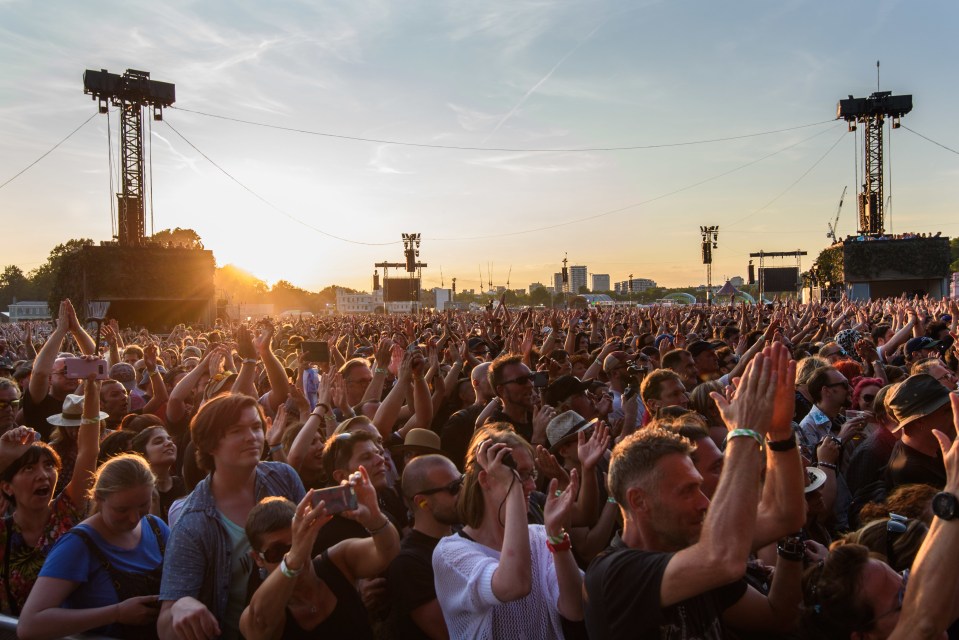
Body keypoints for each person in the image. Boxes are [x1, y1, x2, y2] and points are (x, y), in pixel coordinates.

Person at [585, 344, 806, 639]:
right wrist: (744, 432)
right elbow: (722, 558)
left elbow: (785, 516)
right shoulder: (614, 573)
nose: (704, 502)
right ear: (640, 501)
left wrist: (778, 432)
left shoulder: (692, 544)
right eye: (688, 490)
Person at [157, 393, 305, 640]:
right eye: (237, 430)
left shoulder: (284, 478)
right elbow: (164, 626)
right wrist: (181, 606)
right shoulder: (194, 523)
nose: (252, 437)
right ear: (210, 444)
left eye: (256, 427)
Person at [431, 424, 583, 639]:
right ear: (485, 480)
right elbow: (515, 585)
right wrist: (513, 488)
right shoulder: (450, 554)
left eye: (531, 474)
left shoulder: (541, 536)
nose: (531, 485)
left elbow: (575, 609)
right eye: (519, 474)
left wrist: (557, 535)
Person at [18, 454, 169, 640]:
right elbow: (30, 625)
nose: (134, 518)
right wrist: (116, 613)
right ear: (98, 498)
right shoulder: (77, 545)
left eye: (143, 505)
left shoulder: (157, 529)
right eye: (122, 510)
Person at [239, 470, 400, 639]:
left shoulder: (337, 561)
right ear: (258, 558)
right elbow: (260, 625)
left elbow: (388, 552)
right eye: (276, 552)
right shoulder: (263, 607)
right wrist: (294, 557)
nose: (294, 554)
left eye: (297, 542)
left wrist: (374, 517)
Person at [0, 378, 102, 615]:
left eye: (49, 465)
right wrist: (2, 454)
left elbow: (89, 450)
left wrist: (92, 388)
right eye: (29, 469)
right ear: (7, 487)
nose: (43, 475)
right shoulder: (3, 533)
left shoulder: (68, 510)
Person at [387, 454, 461, 640]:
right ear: (422, 502)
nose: (463, 492)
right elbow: (452, 633)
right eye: (453, 488)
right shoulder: (408, 563)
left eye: (463, 482)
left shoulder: (467, 534)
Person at [131, 426, 186, 522]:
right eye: (158, 442)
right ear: (143, 455)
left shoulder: (184, 485)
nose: (169, 443)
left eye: (169, 439)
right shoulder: (137, 493)